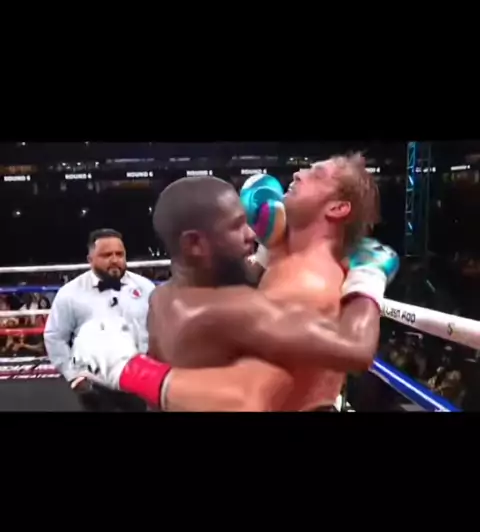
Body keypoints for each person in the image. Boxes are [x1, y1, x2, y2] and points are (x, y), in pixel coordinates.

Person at [71, 155, 399, 412]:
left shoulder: (303, 284)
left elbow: (248, 398)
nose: (299, 173)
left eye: (317, 174)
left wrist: (128, 370)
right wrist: (269, 250)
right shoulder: (282, 258)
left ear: (338, 207)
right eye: (237, 225)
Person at [44, 228, 155, 411]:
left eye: (119, 254)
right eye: (106, 255)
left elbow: (159, 330)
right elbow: (55, 336)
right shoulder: (70, 293)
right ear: (90, 259)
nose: (115, 260)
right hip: (96, 383)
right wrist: (74, 376)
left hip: (139, 378)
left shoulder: (145, 288)